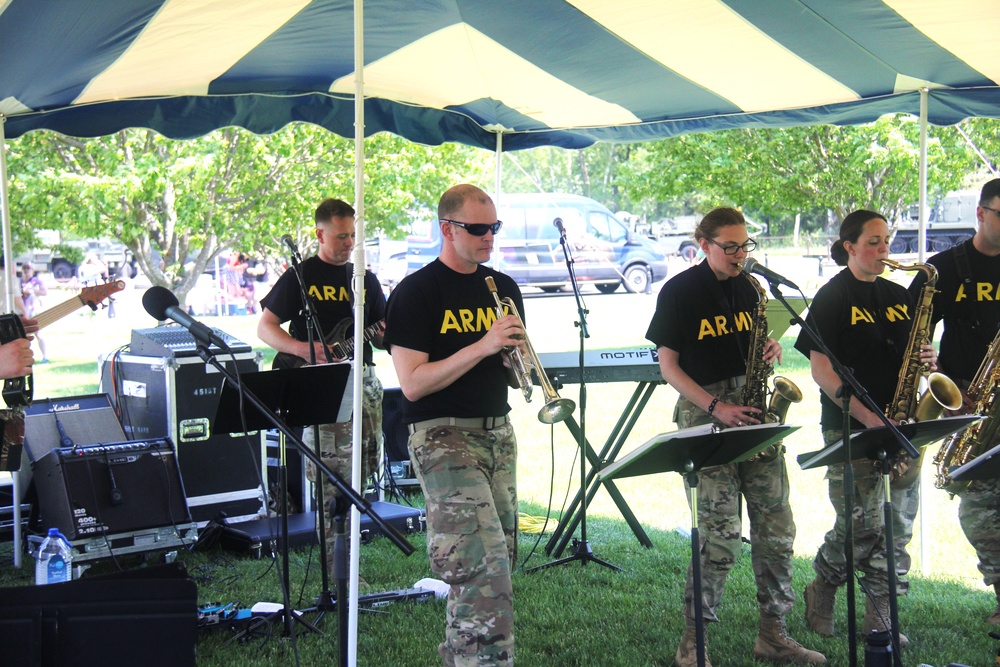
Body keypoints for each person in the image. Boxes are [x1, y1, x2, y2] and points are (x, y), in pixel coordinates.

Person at [645, 207, 825, 667]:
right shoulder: (679, 292)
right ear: (703, 244)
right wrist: (715, 407)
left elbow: (753, 343)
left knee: (777, 527)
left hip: (754, 410)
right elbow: (668, 366)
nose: (740, 254)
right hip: (706, 415)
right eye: (730, 246)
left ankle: (774, 633)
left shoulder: (751, 288)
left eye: (746, 245)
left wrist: (767, 348)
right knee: (719, 535)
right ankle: (693, 642)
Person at [383, 184, 522, 667]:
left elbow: (509, 365)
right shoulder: (416, 293)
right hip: (442, 436)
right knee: (479, 568)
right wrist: (484, 345)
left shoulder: (502, 286)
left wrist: (514, 359)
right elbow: (413, 384)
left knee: (501, 556)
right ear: (447, 229)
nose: (489, 238)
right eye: (478, 229)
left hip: (497, 432)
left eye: (494, 228)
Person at [796, 210, 939, 650]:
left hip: (901, 423)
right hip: (849, 427)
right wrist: (868, 416)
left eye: (886, 241)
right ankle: (824, 582)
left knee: (894, 523)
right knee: (861, 525)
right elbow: (821, 371)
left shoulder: (899, 294)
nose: (884, 251)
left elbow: (913, 350)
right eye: (874, 242)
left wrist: (928, 358)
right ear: (849, 247)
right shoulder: (831, 297)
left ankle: (881, 618)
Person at [256, 197, 386, 582]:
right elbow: (266, 327)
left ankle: (351, 560)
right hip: (321, 385)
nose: (349, 243)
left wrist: (394, 331)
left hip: (362, 380)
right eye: (341, 236)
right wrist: (303, 349)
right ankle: (337, 571)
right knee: (330, 478)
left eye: (353, 236)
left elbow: (382, 334)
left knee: (362, 472)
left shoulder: (364, 278)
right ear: (320, 234)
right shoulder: (301, 275)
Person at [907, 177, 1000, 625]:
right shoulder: (946, 267)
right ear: (980, 214)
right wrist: (937, 373)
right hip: (966, 394)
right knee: (979, 501)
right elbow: (913, 331)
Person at [19, 263, 48, 363]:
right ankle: (26, 358)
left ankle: (45, 356)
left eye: (28, 268)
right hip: (24, 311)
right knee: (24, 336)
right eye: (24, 268)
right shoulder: (19, 281)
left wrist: (33, 291)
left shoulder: (36, 281)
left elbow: (44, 292)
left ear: (32, 270)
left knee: (39, 333)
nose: (26, 270)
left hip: (35, 311)